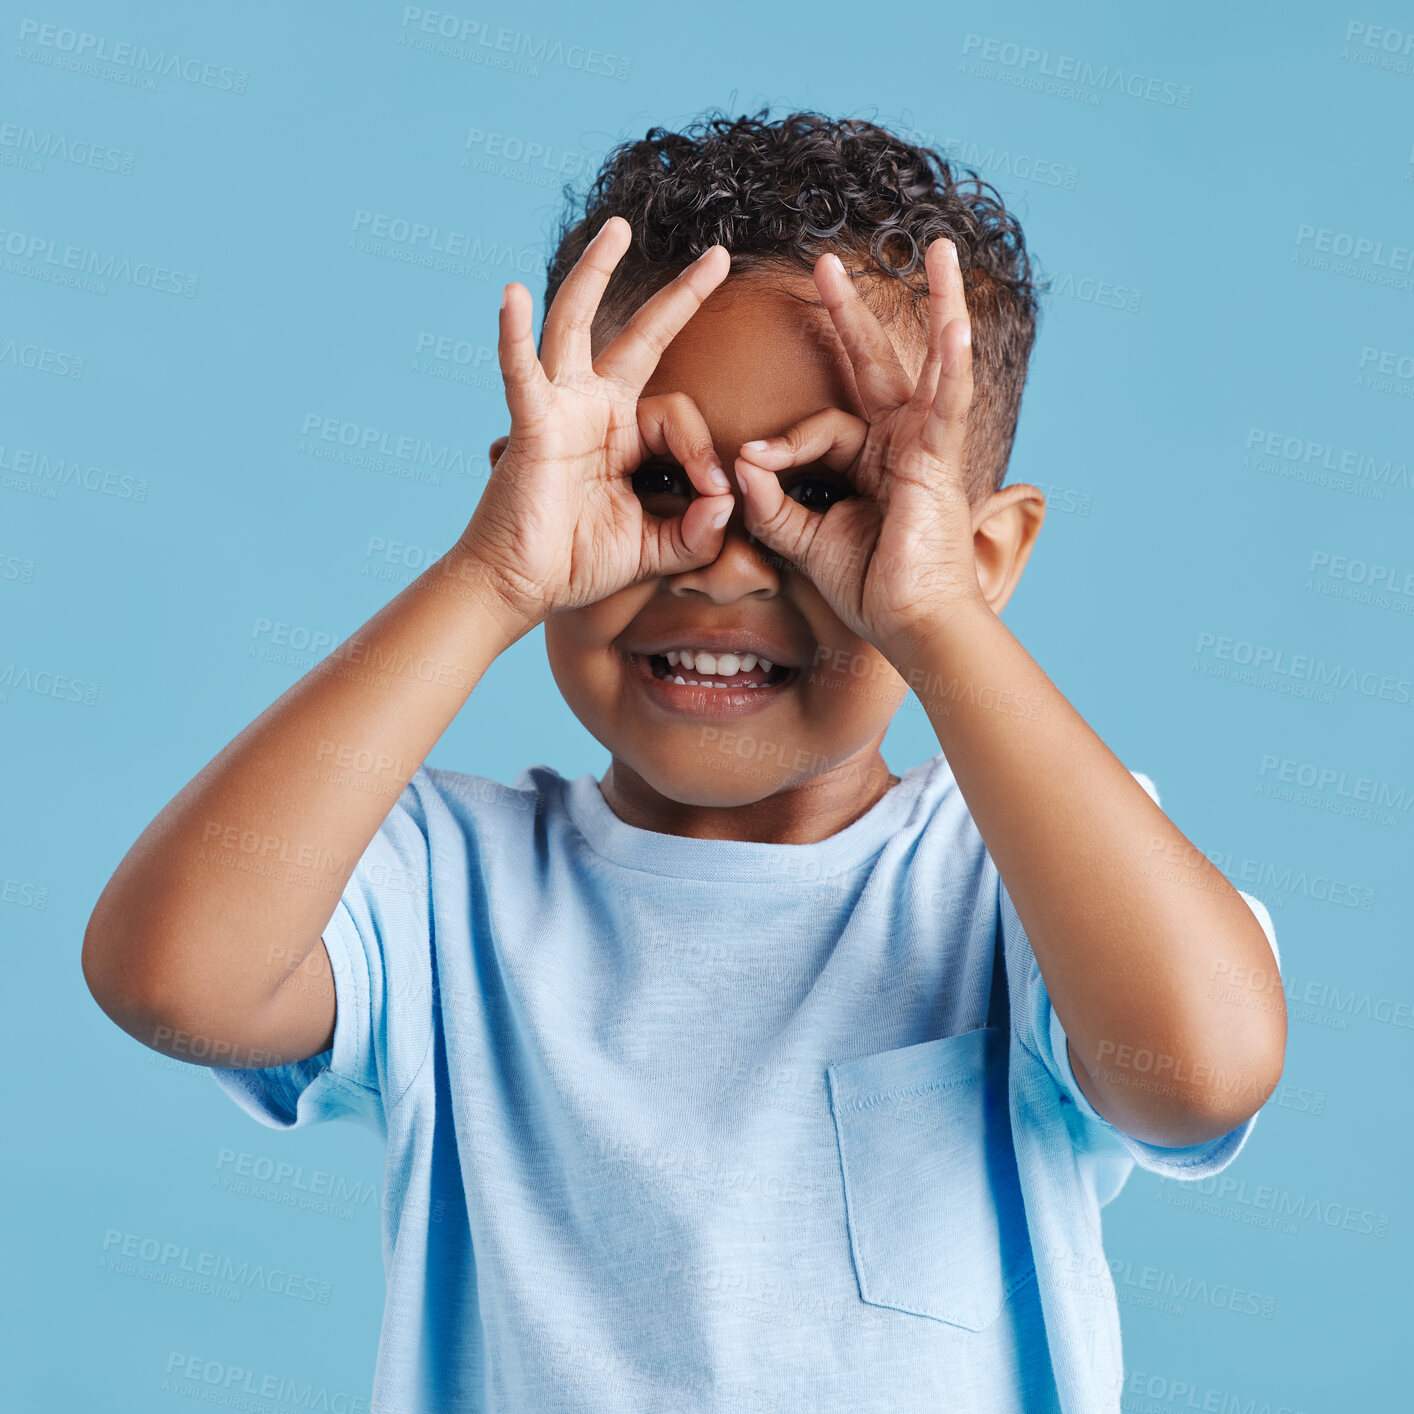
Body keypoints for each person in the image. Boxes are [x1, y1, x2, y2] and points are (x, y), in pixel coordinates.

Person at [82, 108, 1286, 1412]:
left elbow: (1199, 1067)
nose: (721, 556)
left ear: (981, 555)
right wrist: (489, 576)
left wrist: (927, 613)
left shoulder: (1017, 881)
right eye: (658, 477)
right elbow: (170, 976)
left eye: (825, 496)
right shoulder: (441, 887)